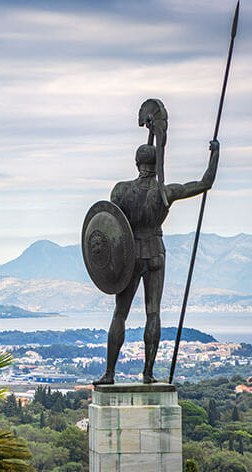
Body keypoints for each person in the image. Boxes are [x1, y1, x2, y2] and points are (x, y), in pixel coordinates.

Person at [94, 139, 219, 385]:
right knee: (153, 313)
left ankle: (109, 373)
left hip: (129, 257)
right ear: (156, 163)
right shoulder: (164, 192)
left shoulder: (120, 190)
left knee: (120, 313)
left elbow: (112, 227)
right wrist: (215, 153)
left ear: (137, 163)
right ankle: (148, 373)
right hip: (155, 254)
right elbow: (206, 183)